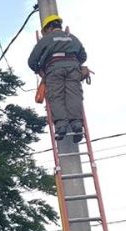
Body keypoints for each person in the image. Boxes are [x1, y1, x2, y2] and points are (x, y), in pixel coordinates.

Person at [28, 14, 88, 143]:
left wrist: (39, 70)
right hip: (73, 68)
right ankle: (77, 125)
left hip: (54, 69)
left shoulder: (47, 39)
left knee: (56, 96)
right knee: (74, 95)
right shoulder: (72, 38)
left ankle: (61, 126)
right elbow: (83, 56)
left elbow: (32, 60)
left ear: (49, 27)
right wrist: (75, 63)